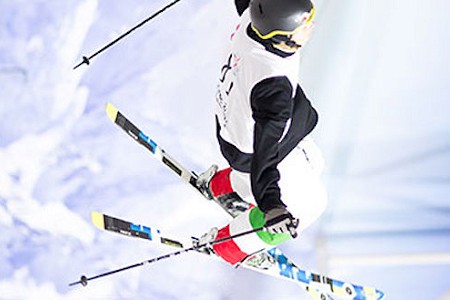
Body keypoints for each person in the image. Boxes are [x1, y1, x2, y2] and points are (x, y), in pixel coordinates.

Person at [196, 0, 327, 268]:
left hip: (234, 122)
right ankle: (231, 245)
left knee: (315, 162)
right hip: (250, 149)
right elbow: (265, 156)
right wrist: (271, 205)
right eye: (305, 24)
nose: (312, 25)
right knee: (311, 205)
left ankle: (227, 188)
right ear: (283, 37)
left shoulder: (254, 16)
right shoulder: (274, 87)